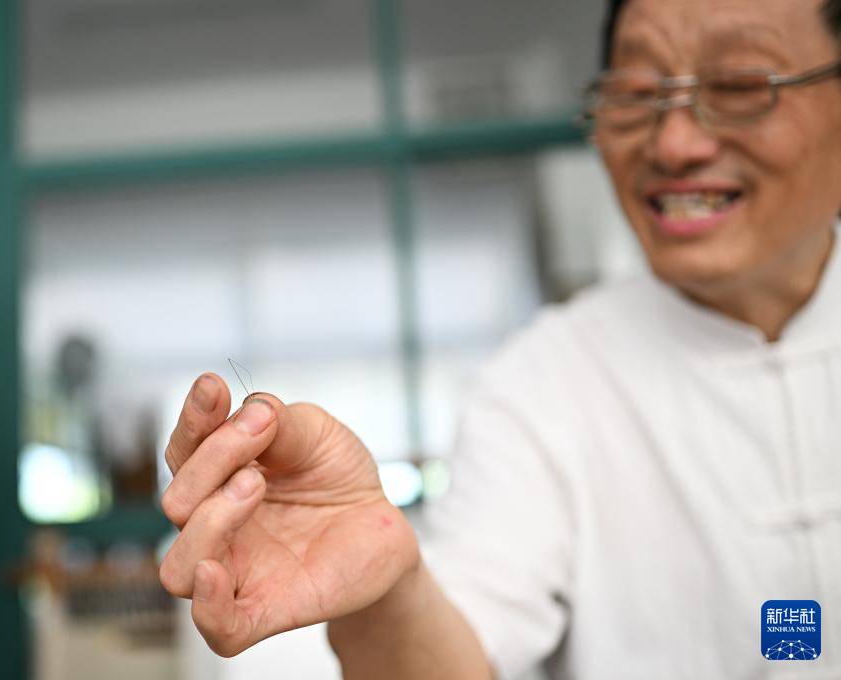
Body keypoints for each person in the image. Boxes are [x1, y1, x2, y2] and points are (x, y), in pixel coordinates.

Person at [157, 0, 841, 676]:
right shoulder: (540, 386)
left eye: (740, 86)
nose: (673, 144)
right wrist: (388, 594)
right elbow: (462, 653)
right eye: (636, 94)